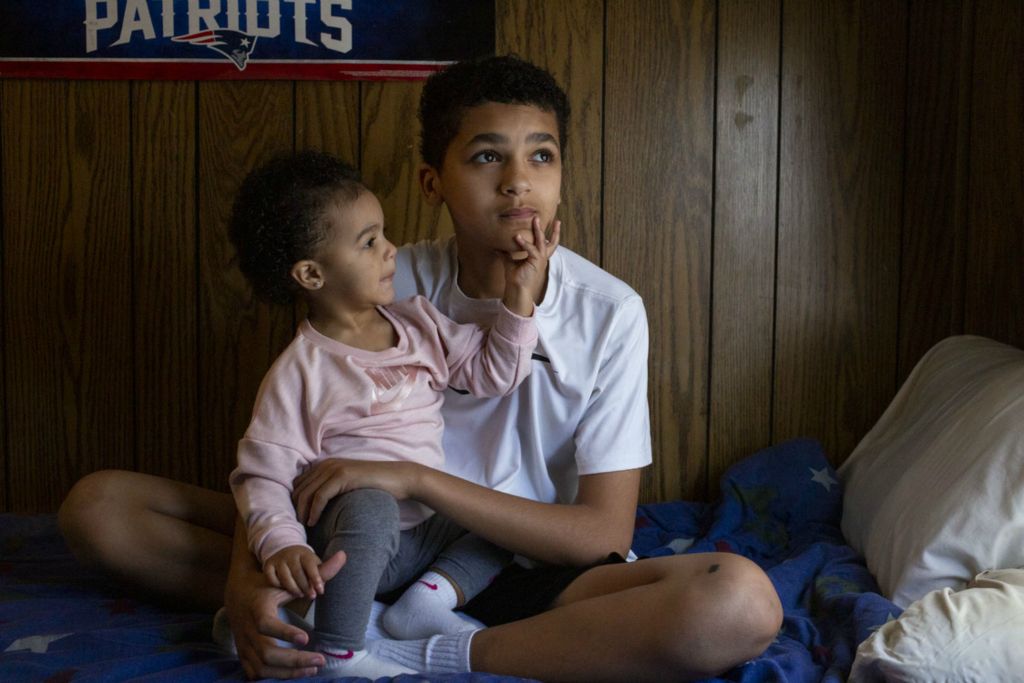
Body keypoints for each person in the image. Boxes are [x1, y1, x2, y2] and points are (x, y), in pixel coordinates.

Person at [58, 54, 783, 681]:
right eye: (486, 156)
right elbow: (284, 449)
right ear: (433, 183)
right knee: (100, 507)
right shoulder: (379, 278)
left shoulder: (611, 310)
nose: (517, 183)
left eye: (542, 155)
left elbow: (601, 532)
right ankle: (333, 608)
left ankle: (413, 651)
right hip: (351, 535)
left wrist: (414, 478)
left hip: (510, 561)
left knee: (739, 602)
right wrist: (248, 581)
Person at [224, 151, 554, 678]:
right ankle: (337, 650)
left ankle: (425, 602)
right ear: (311, 274)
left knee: (506, 514)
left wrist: (518, 297)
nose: (390, 250)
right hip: (346, 542)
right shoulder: (300, 372)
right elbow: (262, 474)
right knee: (371, 505)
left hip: (424, 534)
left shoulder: (417, 323)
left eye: (383, 236)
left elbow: (496, 373)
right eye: (369, 242)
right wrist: (282, 543)